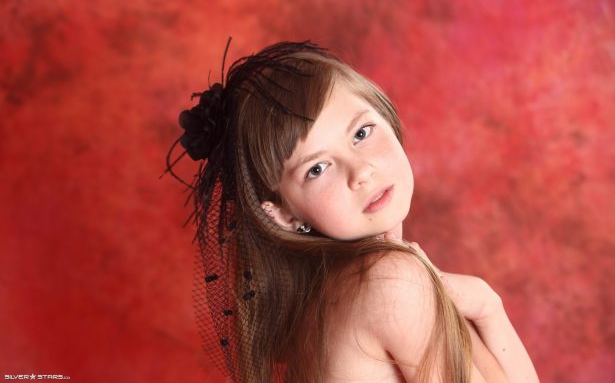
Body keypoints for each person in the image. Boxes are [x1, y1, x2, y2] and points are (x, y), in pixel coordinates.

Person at [165, 39, 539, 382]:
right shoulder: (388, 281)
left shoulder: (331, 294)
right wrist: (483, 306)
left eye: (361, 133)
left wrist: (487, 304)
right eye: (317, 169)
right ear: (283, 214)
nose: (361, 171)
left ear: (385, 114)